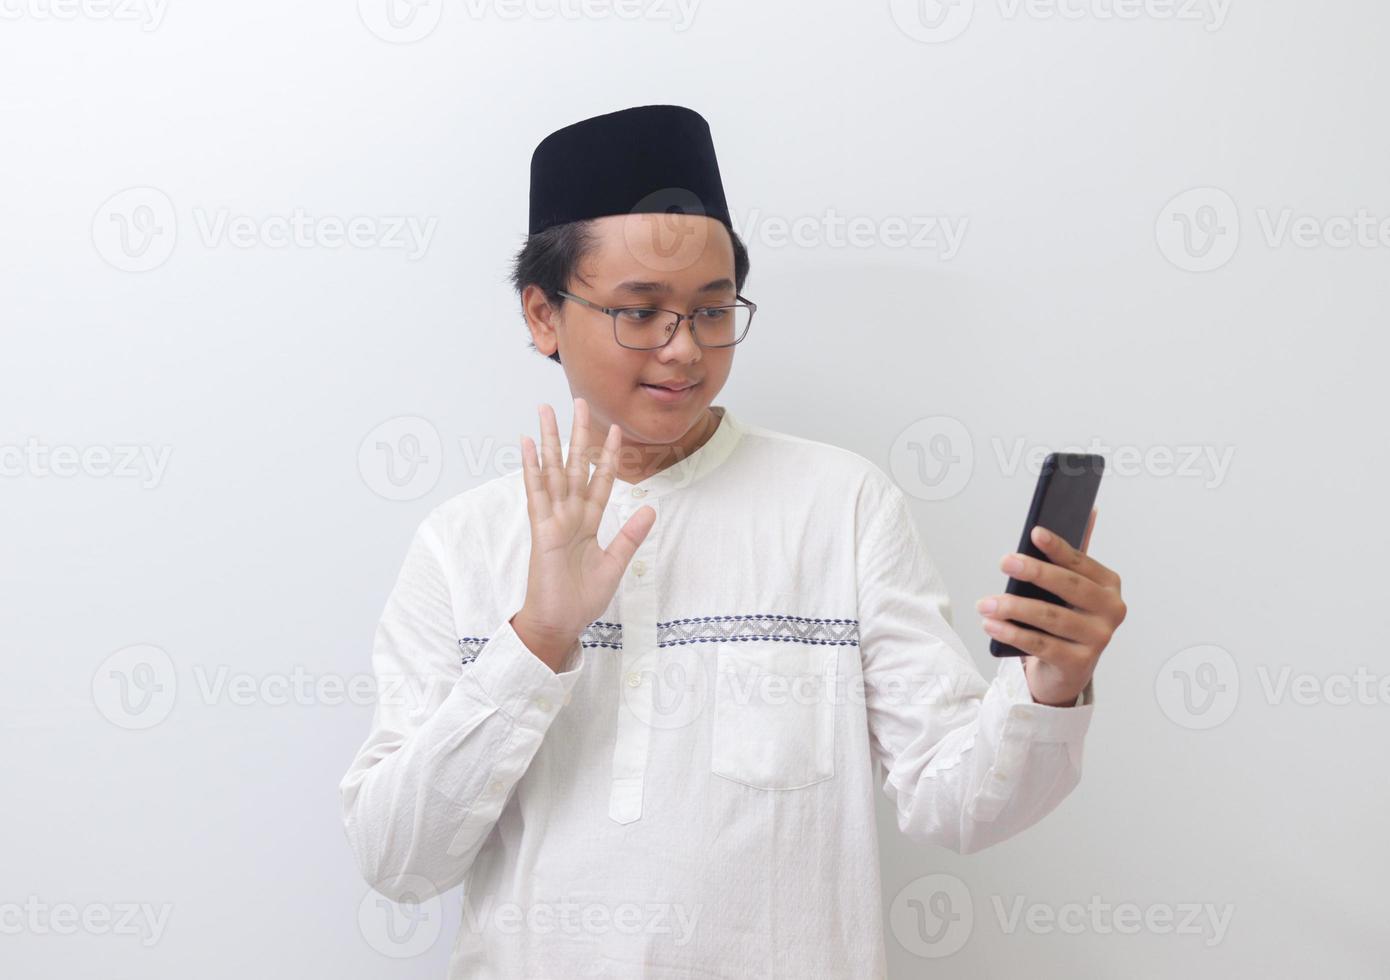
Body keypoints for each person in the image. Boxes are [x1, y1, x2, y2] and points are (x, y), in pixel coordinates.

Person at [338, 103, 1127, 979]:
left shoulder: (841, 505)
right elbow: (398, 860)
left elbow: (959, 804)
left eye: (713, 312)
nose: (684, 351)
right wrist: (537, 641)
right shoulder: (461, 544)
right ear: (542, 315)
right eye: (641, 313)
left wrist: (1050, 688)